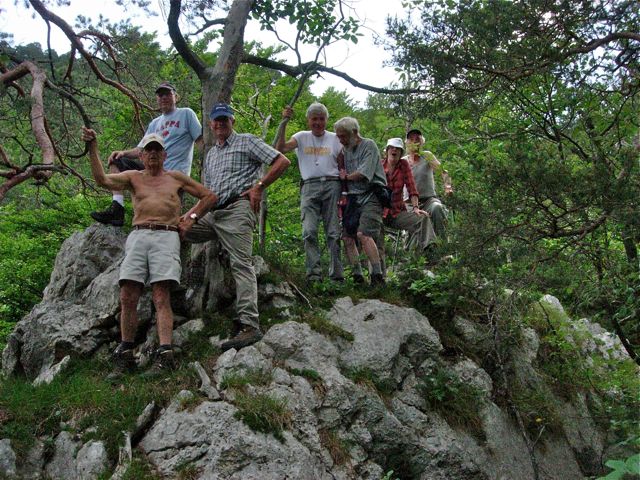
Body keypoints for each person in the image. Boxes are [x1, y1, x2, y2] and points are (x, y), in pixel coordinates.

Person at [81, 127, 218, 378]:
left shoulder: (175, 177)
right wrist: (93, 148)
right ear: (142, 156)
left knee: (160, 295)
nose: (153, 154)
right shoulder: (134, 176)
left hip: (166, 234)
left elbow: (209, 196)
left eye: (157, 150)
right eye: (148, 151)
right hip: (139, 234)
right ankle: (126, 355)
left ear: (164, 155)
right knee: (127, 295)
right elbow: (102, 180)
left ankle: (166, 354)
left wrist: (190, 218)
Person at [184, 103, 290, 351]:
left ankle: (250, 325)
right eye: (216, 121)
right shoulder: (211, 154)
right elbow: (207, 193)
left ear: (232, 121)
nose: (220, 124)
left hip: (237, 209)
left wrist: (259, 186)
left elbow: (281, 161)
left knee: (242, 263)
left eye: (225, 119)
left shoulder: (246, 141)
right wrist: (189, 216)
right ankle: (183, 292)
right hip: (213, 212)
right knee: (178, 230)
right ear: (211, 124)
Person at [90, 82, 202, 226]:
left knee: (165, 214)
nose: (163, 98)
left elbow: (200, 141)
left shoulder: (186, 114)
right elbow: (140, 150)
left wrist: (209, 163)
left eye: (167, 94)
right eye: (160, 95)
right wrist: (122, 152)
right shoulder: (155, 123)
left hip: (174, 174)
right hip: (151, 170)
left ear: (176, 96)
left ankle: (174, 235)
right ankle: (117, 209)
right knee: (117, 160)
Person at [276, 103, 344, 283]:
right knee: (309, 230)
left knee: (333, 232)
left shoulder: (335, 138)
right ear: (308, 120)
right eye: (314, 118)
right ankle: (314, 274)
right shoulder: (301, 137)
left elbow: (344, 160)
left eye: (321, 119)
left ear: (326, 120)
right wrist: (284, 121)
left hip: (332, 184)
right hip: (309, 186)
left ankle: (337, 275)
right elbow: (281, 147)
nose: (318, 122)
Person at [334, 117, 387, 286]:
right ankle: (357, 276)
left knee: (364, 234)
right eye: (339, 137)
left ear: (354, 133)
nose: (341, 140)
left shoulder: (368, 145)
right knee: (347, 237)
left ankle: (377, 275)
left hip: (372, 194)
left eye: (343, 136)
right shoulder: (344, 150)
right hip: (353, 197)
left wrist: (346, 177)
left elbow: (364, 173)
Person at [377, 138, 435, 269]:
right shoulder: (379, 165)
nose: (394, 150)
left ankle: (428, 257)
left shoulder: (403, 165)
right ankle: (378, 274)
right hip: (379, 213)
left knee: (422, 218)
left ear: (401, 151)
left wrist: (415, 207)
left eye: (397, 148)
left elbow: (412, 188)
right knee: (375, 240)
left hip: (397, 212)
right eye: (391, 147)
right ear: (386, 151)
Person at [404, 128, 451, 240]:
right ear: (407, 143)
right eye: (411, 139)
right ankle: (413, 250)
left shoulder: (427, 156)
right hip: (409, 204)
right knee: (414, 219)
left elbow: (444, 172)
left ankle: (443, 248)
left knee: (437, 208)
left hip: (429, 200)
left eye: (417, 139)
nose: (414, 142)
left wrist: (448, 187)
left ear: (422, 142)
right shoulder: (403, 161)